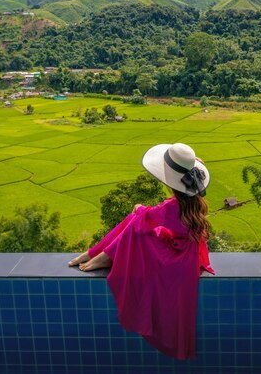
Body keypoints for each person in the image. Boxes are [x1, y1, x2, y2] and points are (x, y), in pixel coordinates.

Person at [68, 143, 215, 360]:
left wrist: (138, 207)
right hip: (187, 253)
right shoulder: (195, 203)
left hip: (176, 259)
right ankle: (99, 254)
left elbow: (144, 217)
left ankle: (99, 255)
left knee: (136, 223)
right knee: (138, 221)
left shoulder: (170, 207)